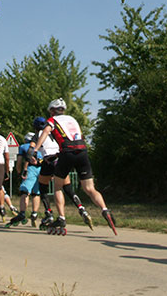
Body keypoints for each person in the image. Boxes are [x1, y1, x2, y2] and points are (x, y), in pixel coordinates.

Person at [32, 99, 114, 235]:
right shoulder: (72, 119)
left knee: (58, 186)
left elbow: (45, 132)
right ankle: (105, 210)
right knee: (89, 188)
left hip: (67, 152)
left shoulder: (52, 120)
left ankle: (62, 218)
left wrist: (35, 149)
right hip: (82, 151)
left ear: (52, 110)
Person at [6, 132, 43, 227]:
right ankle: (34, 213)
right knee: (36, 193)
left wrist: (19, 172)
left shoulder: (23, 147)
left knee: (24, 192)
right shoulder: (41, 147)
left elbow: (19, 162)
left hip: (30, 169)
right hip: (41, 169)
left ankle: (22, 213)